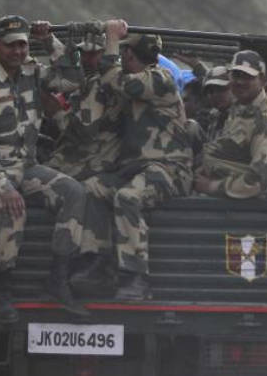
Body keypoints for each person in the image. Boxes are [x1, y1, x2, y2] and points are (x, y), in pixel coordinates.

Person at [0, 15, 93, 322]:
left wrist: (50, 42)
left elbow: (73, 79)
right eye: (11, 46)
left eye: (22, 44)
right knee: (12, 210)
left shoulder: (32, 72)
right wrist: (2, 185)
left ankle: (57, 281)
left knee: (74, 192)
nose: (18, 52)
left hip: (26, 167)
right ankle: (1, 290)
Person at [75, 20, 193, 300]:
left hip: (169, 170)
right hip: (138, 168)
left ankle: (136, 277)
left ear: (129, 55)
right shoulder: (139, 86)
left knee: (128, 197)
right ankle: (99, 261)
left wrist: (112, 40)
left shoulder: (159, 79)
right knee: (92, 188)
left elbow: (114, 78)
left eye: (124, 53)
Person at [194, 50, 267, 199]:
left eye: (248, 76)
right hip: (222, 192)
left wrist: (212, 186)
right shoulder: (239, 107)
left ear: (262, 80)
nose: (240, 82)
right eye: (236, 75)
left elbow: (260, 181)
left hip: (244, 208)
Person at [44, 30, 125, 181]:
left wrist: (57, 112)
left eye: (93, 54)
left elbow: (84, 129)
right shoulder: (83, 81)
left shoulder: (104, 83)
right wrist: (48, 38)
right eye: (83, 53)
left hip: (93, 162)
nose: (87, 59)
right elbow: (65, 65)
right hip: (76, 156)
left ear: (105, 53)